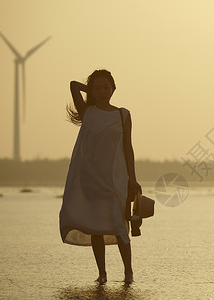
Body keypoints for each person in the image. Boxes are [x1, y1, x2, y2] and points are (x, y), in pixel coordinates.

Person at [59, 69, 141, 284]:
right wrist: (92, 93)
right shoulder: (88, 112)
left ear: (114, 88)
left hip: (116, 179)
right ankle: (102, 274)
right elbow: (73, 85)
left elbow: (128, 148)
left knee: (120, 225)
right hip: (91, 178)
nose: (103, 91)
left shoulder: (123, 114)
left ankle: (128, 273)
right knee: (96, 227)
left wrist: (133, 179)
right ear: (92, 91)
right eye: (98, 87)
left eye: (107, 86)